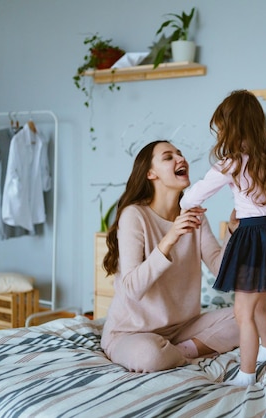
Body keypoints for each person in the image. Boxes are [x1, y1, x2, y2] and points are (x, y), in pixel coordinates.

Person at [180, 89, 266, 386]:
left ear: (231, 128)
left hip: (251, 236)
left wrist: (188, 203)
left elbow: (192, 197)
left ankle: (247, 374)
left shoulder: (231, 163)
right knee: (259, 301)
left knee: (242, 310)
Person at [100, 140, 240, 373]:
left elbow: (220, 270)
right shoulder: (134, 215)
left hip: (183, 328)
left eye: (180, 154)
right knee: (150, 356)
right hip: (131, 332)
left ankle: (179, 351)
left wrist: (233, 231)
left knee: (249, 317)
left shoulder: (195, 215)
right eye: (168, 157)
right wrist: (171, 236)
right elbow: (133, 289)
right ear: (150, 173)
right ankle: (177, 352)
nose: (180, 158)